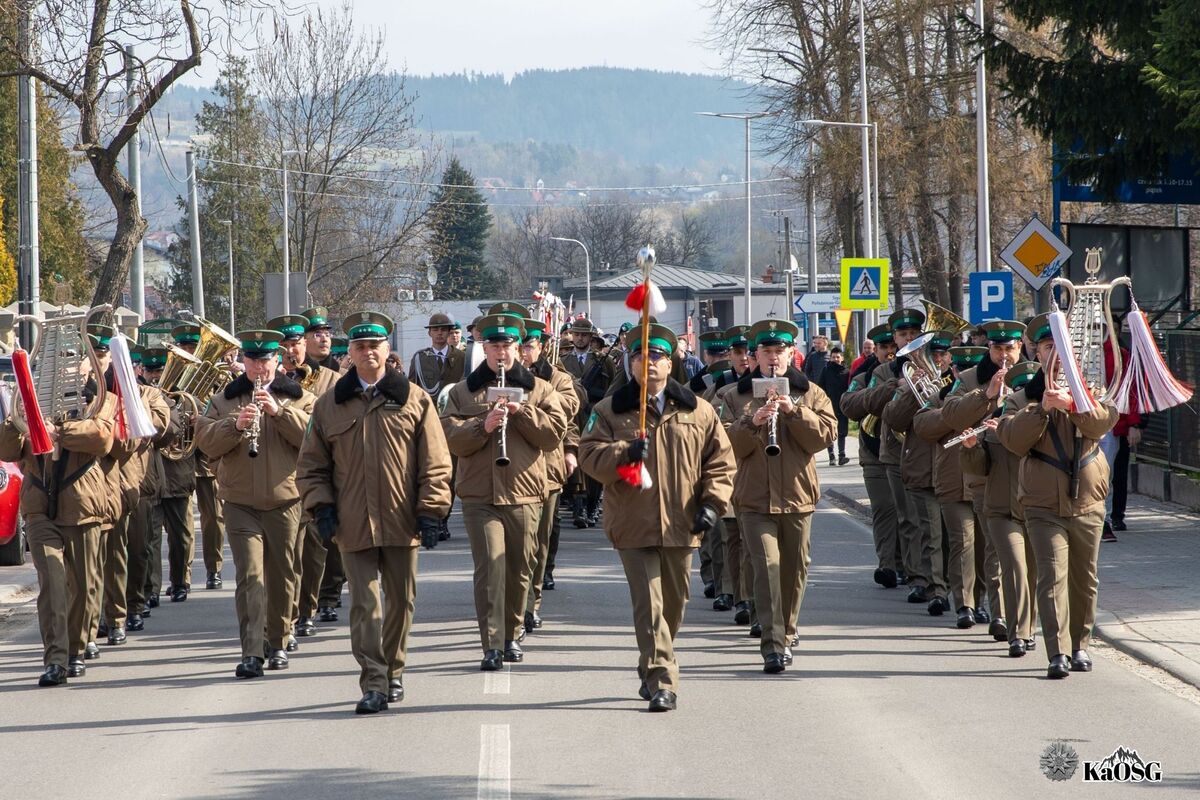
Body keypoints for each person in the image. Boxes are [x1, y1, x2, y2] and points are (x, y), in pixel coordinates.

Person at [298, 311, 452, 714]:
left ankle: (394, 669)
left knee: (401, 601)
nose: (368, 352)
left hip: (403, 518)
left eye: (375, 345)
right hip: (352, 520)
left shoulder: (414, 399)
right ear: (350, 352)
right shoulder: (329, 405)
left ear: (387, 349)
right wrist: (321, 508)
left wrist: (431, 509)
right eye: (361, 346)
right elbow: (311, 466)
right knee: (365, 605)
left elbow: (435, 461)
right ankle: (374, 681)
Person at [580, 322, 734, 710]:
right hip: (632, 522)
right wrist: (624, 453)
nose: (647, 363)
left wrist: (712, 505)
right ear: (630, 363)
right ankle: (664, 679)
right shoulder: (609, 410)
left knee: (673, 605)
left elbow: (720, 462)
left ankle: (650, 662)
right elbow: (589, 458)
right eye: (639, 356)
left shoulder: (698, 410)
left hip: (683, 522)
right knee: (649, 606)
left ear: (670, 363)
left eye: (657, 356)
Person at [441, 314, 568, 670]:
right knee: (490, 568)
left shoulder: (541, 389)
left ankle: (513, 632)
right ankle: (492, 644)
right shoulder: (463, 391)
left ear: (518, 349)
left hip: (524, 491)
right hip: (479, 494)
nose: (501, 352)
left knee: (519, 568)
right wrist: (482, 425)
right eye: (494, 346)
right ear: (484, 348)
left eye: (507, 345)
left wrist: (523, 413)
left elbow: (553, 435)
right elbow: (448, 437)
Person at [997, 313, 1117, 679]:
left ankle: (1080, 645)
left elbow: (1103, 423)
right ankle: (1058, 652)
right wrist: (1042, 409)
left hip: (1088, 500)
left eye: (1064, 347)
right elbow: (1012, 440)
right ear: (1037, 352)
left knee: (1085, 578)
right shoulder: (1021, 398)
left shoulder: (1091, 389)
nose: (1057, 354)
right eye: (1050, 347)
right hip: (1042, 504)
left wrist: (1074, 405)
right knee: (1051, 576)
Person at [195, 329, 316, 678]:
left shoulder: (301, 398)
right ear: (243, 361)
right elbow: (205, 442)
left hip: (285, 499)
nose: (258, 367)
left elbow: (313, 438)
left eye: (264, 360)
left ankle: (278, 641)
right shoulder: (223, 400)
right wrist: (235, 425)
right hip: (240, 502)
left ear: (277, 360)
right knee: (250, 576)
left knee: (283, 574)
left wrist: (280, 413)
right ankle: (251, 651)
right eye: (251, 360)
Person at [722, 320, 836, 673]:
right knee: (767, 568)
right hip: (754, 498)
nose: (773, 358)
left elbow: (824, 437)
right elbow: (724, 445)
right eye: (766, 351)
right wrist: (752, 422)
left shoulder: (811, 393)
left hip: (797, 495)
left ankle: (787, 630)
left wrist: (793, 411)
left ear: (791, 354)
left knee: (794, 569)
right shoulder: (735, 396)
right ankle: (773, 645)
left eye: (780, 351)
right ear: (754, 356)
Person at [0, 346, 118, 685]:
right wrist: (20, 417)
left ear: (83, 366)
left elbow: (102, 438)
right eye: (55, 363)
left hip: (81, 504)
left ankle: (76, 649)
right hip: (39, 505)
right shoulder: (27, 404)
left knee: (81, 584)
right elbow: (7, 450)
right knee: (52, 581)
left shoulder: (100, 397)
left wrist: (59, 432)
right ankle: (55, 659)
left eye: (69, 362)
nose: (61, 370)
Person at [940, 320, 1034, 651]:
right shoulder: (968, 380)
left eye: (1010, 348)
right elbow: (951, 416)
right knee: (997, 549)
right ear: (989, 348)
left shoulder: (1034, 377)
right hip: (985, 474)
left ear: (1019, 348)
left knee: (1026, 559)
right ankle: (1002, 615)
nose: (1003, 355)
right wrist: (987, 395)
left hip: (1031, 479)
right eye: (997, 349)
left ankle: (1018, 618)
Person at [270, 314, 340, 642]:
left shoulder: (331, 379)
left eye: (295, 343)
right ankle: (289, 612)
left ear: (305, 344)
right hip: (279, 476)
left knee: (315, 549)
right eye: (283, 345)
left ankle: (311, 607)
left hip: (317, 474)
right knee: (287, 555)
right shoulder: (263, 381)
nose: (290, 350)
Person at [516, 317, 581, 633]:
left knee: (540, 542)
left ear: (540, 347)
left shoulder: (558, 379)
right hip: (511, 471)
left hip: (546, 467)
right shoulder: (497, 377)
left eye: (528, 346)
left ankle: (532, 603)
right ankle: (513, 604)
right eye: (518, 346)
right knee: (515, 543)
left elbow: (567, 415)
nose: (523, 352)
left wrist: (570, 449)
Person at [883, 330, 954, 616]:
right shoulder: (910, 386)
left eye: (941, 355)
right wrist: (914, 394)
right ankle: (935, 590)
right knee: (930, 533)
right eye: (931, 355)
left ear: (949, 357)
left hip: (954, 470)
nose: (936, 360)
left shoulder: (962, 382)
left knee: (952, 536)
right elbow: (893, 419)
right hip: (922, 467)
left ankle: (950, 585)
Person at [840, 322, 903, 590]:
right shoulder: (864, 376)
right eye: (884, 347)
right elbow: (848, 405)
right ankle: (888, 565)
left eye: (893, 346)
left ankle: (907, 564)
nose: (890, 352)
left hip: (905, 454)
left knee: (906, 511)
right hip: (874, 452)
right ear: (874, 350)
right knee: (884, 507)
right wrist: (885, 388)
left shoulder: (914, 371)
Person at [559, 317, 613, 528]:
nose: (580, 338)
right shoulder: (563, 362)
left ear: (591, 337)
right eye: (577, 334)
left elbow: (611, 389)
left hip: (595, 415)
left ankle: (592, 504)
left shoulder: (603, 360)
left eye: (584, 335)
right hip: (574, 417)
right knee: (577, 459)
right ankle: (578, 506)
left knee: (595, 457)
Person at [409, 312, 466, 397]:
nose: (439, 333)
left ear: (449, 332)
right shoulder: (419, 358)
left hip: (453, 403)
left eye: (443, 329)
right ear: (429, 333)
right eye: (435, 330)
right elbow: (412, 387)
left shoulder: (461, 357)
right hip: (427, 404)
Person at [818, 346, 850, 466]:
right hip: (829, 405)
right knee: (829, 430)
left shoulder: (846, 372)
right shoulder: (826, 370)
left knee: (842, 431)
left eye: (837, 357)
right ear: (830, 358)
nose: (835, 359)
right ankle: (831, 456)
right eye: (833, 357)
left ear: (842, 358)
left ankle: (842, 455)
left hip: (842, 405)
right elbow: (820, 387)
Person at [301, 306, 340, 371]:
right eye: (318, 335)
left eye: (327, 335)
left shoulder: (342, 374)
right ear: (304, 341)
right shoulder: (295, 373)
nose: (324, 339)